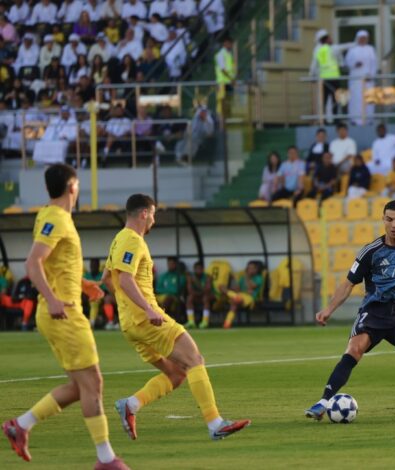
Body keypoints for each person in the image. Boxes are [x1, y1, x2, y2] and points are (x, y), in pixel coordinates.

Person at [2, 164, 128, 469]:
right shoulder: (56, 218)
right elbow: (33, 262)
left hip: (63, 310)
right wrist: (52, 298)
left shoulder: (51, 216)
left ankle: (21, 425)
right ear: (72, 186)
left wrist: (82, 284)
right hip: (64, 314)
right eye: (78, 184)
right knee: (93, 383)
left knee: (80, 386)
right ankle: (106, 459)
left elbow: (55, 264)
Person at [107, 194, 250, 442]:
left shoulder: (118, 239)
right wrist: (148, 309)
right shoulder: (132, 240)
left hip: (130, 324)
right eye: (153, 214)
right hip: (146, 319)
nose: (154, 220)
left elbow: (108, 280)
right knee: (194, 359)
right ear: (144, 213)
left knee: (176, 374)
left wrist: (127, 307)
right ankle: (215, 424)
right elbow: (125, 280)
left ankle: (131, 404)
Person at [304, 200, 395, 421]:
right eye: (389, 219)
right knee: (354, 350)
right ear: (383, 220)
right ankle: (323, 402)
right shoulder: (371, 252)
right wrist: (328, 309)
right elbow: (348, 283)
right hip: (373, 313)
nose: (394, 225)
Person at [344, 30, 377, 125]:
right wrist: (354, 64)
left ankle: (369, 119)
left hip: (368, 80)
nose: (362, 40)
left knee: (369, 99)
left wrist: (371, 75)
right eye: (361, 38)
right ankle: (355, 119)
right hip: (356, 80)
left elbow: (374, 64)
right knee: (356, 99)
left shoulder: (370, 49)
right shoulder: (352, 49)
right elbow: (347, 62)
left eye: (364, 38)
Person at [223, 260, 265, 329]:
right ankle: (227, 323)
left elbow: (251, 286)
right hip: (240, 295)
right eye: (248, 268)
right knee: (233, 300)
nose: (250, 270)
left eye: (252, 268)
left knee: (235, 301)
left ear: (256, 270)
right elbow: (238, 289)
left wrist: (247, 276)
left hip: (250, 298)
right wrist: (232, 283)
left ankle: (227, 321)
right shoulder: (243, 278)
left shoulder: (259, 278)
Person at [84, 258, 118, 330]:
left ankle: (96, 322)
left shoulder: (101, 276)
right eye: (92, 265)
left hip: (99, 297)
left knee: (99, 300)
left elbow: (106, 290)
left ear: (98, 266)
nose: (93, 266)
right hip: (87, 297)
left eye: (95, 265)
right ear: (90, 266)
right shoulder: (86, 276)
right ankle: (89, 322)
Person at [184, 261, 211, 330]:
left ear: (203, 269)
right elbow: (190, 290)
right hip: (196, 295)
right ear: (194, 269)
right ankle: (191, 322)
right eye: (197, 269)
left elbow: (207, 290)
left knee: (205, 298)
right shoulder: (191, 277)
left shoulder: (207, 277)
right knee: (189, 298)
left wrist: (196, 283)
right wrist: (197, 293)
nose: (199, 270)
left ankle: (205, 322)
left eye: (200, 269)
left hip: (207, 296)